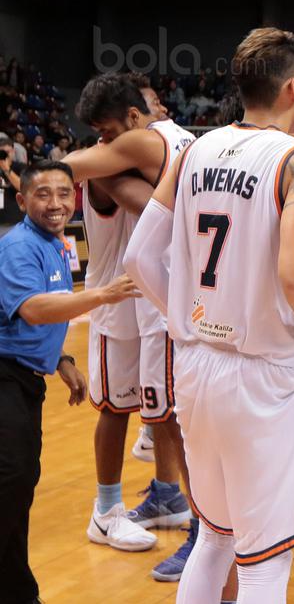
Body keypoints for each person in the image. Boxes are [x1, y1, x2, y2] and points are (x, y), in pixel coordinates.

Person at [124, 27, 294, 604]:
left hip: (197, 368)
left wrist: (182, 318)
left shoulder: (193, 151)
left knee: (215, 540)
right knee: (264, 560)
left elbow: (137, 257)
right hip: (262, 377)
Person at [69, 73, 201, 574]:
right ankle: (134, 502)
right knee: (140, 414)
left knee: (171, 417)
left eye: (107, 132)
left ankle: (202, 531)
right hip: (122, 304)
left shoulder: (142, 148)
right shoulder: (173, 143)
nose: (104, 142)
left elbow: (158, 212)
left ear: (136, 118)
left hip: (159, 303)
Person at [0, 160, 140, 604]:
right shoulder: (20, 246)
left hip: (24, 379)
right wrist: (102, 294)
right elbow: (35, 309)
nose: (56, 203)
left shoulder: (58, 243)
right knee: (10, 484)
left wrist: (60, 358)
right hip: (4, 378)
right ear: (22, 201)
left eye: (64, 193)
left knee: (19, 485)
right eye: (43, 195)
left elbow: (41, 308)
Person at [0, 135, 27, 239]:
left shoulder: (20, 167)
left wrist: (6, 169)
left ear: (13, 152)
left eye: (8, 152)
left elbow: (23, 187)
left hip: (16, 222)